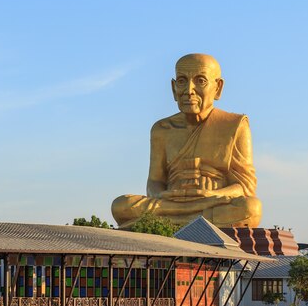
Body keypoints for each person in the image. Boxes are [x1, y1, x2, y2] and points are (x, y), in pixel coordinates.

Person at [112, 53, 261, 229]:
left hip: (212, 201)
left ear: (218, 88)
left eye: (200, 81)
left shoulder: (234, 125)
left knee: (251, 208)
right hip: (171, 204)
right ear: (173, 88)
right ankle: (196, 223)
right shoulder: (162, 129)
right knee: (121, 205)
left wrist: (211, 195)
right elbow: (155, 181)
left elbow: (245, 187)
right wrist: (162, 195)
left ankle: (159, 224)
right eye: (182, 81)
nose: (189, 90)